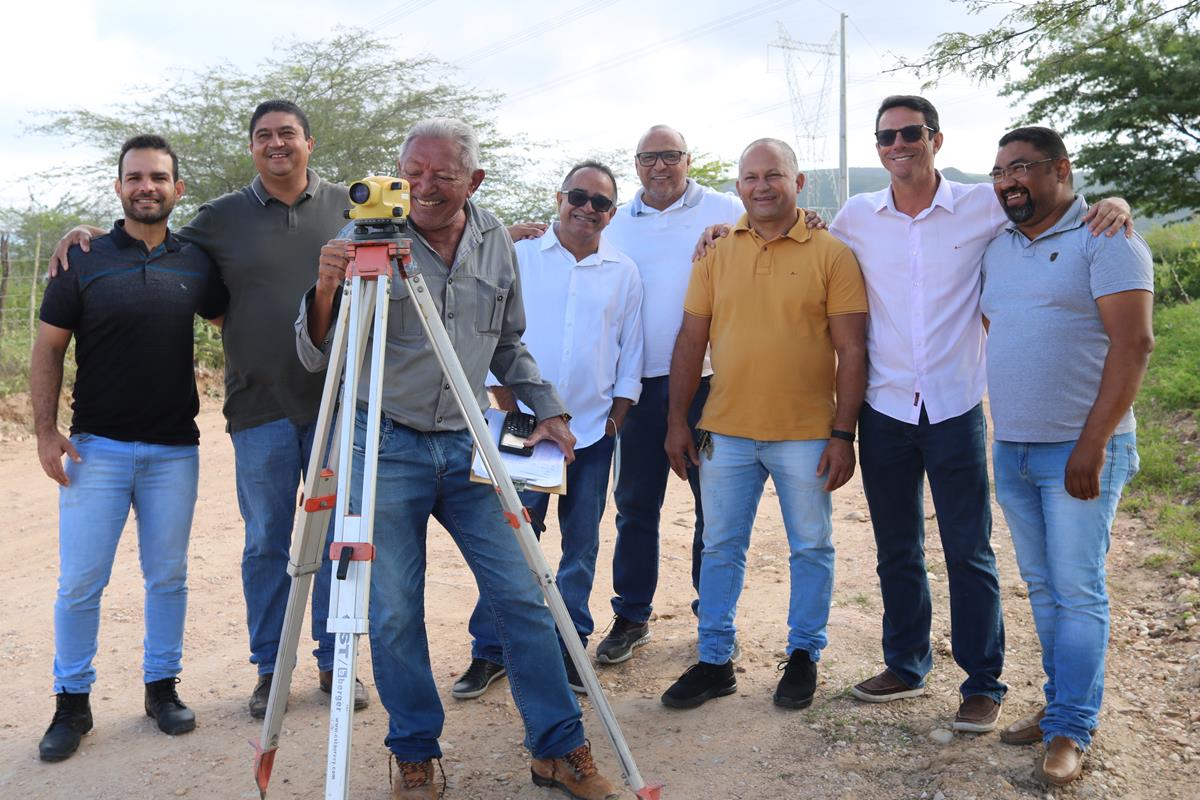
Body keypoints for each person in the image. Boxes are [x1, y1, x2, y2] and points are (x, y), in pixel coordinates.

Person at [296, 118, 618, 800]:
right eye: (413, 171)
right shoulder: (367, 236)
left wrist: (548, 406)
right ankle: (415, 755)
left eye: (443, 175)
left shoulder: (496, 239)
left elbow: (508, 342)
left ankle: (558, 750)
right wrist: (326, 287)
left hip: (469, 440)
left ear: (474, 180)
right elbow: (315, 352)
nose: (424, 187)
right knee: (392, 613)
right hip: (384, 443)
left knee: (526, 595)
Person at [48, 100, 370, 718]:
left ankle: (339, 664)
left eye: (287, 135)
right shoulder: (219, 219)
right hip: (259, 409)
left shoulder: (347, 206)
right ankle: (271, 668)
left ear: (309, 141)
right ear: (251, 147)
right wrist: (82, 233)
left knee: (339, 539)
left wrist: (516, 234)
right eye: (263, 137)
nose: (276, 145)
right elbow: (148, 237)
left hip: (338, 401)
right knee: (266, 542)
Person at [826, 96, 1133, 733]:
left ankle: (983, 682)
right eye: (886, 136)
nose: (897, 145)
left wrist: (1116, 204)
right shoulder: (856, 216)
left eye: (911, 133)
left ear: (936, 140)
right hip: (884, 407)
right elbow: (803, 244)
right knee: (896, 548)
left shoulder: (982, 204)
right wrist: (724, 229)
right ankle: (907, 663)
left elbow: (1050, 205)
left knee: (968, 549)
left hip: (955, 404)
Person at [32, 135, 227, 761]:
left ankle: (161, 690)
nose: (147, 186)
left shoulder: (197, 262)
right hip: (97, 449)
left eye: (159, 177)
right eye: (135, 177)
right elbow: (49, 349)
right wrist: (43, 431)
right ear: (118, 187)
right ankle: (71, 703)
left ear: (178, 189)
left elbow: (238, 320)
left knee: (167, 577)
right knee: (82, 580)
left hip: (175, 450)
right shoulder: (82, 258)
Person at [660, 138, 867, 712]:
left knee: (811, 546)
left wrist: (843, 433)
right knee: (720, 544)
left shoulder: (833, 253)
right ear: (737, 188)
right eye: (750, 177)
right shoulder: (717, 253)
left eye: (773, 175)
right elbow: (690, 340)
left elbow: (852, 351)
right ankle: (714, 660)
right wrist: (678, 421)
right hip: (725, 430)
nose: (761, 186)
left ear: (799, 183)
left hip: (806, 434)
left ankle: (803, 655)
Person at [981, 126, 1153, 785]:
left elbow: (1133, 345)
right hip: (1015, 448)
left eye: (1021, 167)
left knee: (1078, 589)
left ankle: (1071, 729)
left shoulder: (1106, 237)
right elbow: (1009, 329)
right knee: (1046, 586)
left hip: (1082, 451)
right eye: (999, 172)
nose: (1007, 181)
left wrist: (1092, 441)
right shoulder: (998, 248)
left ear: (1061, 169)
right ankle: (1061, 709)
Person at [455, 160, 644, 700]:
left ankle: (570, 646)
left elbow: (630, 351)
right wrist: (511, 404)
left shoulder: (623, 271)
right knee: (512, 541)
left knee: (580, 544)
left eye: (600, 203)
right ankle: (491, 650)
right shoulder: (518, 255)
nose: (587, 209)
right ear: (559, 197)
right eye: (578, 197)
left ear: (611, 213)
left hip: (590, 431)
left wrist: (615, 418)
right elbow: (492, 334)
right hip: (522, 425)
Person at [596, 125, 745, 665]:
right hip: (636, 385)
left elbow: (780, 224)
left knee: (715, 505)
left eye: (670, 157)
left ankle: (714, 614)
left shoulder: (726, 207)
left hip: (710, 382)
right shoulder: (615, 220)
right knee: (635, 504)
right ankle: (632, 614)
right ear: (636, 164)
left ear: (689, 158)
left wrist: (810, 218)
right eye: (647, 158)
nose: (659, 167)